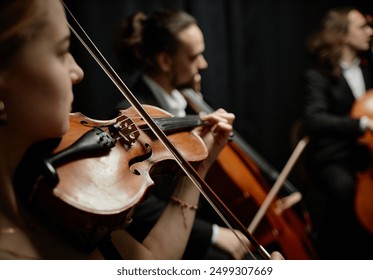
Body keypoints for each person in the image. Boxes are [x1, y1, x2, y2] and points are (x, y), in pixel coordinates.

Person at [0, 0, 244, 260]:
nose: (77, 71)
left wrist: (198, 167)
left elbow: (152, 266)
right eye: (61, 52)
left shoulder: (60, 199)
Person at [114, 9, 259, 260]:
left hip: (199, 216)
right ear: (165, 61)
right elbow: (140, 208)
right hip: (169, 240)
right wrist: (214, 234)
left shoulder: (189, 97)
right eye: (195, 57)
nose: (203, 64)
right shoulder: (131, 117)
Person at [302, 6, 373, 259]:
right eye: (362, 27)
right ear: (341, 34)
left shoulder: (372, 70)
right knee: (344, 190)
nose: (370, 32)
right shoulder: (318, 75)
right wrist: (364, 124)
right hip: (335, 157)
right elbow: (314, 119)